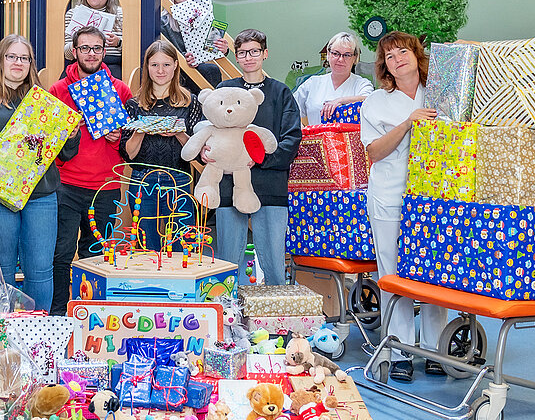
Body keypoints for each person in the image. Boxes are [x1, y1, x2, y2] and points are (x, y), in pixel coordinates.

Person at [358, 30, 450, 383]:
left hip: (436, 198)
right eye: (390, 56)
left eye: (403, 51)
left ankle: (434, 350)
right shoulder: (377, 102)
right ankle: (399, 351)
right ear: (385, 67)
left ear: (417, 54)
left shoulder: (442, 93)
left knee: (434, 273)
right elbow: (374, 153)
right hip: (390, 195)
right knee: (393, 274)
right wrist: (408, 122)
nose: (398, 59)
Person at [0, 35, 79, 309]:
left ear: (31, 64)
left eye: (24, 58)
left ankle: (38, 336)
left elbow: (65, 153)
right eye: (11, 56)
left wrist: (72, 135)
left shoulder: (44, 101)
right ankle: (2, 339)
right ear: (0, 60)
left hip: (41, 194)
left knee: (41, 270)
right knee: (2, 270)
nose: (18, 63)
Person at [50, 26, 133, 315]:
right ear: (74, 52)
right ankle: (58, 311)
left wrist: (119, 136)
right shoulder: (58, 90)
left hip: (106, 187)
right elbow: (47, 140)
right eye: (85, 48)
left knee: (96, 255)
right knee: (60, 254)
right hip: (66, 185)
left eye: (97, 48)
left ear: (104, 51)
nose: (91, 53)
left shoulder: (121, 90)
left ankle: (93, 311)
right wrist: (67, 134)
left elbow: (133, 142)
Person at [212, 29, 301, 287]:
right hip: (229, 186)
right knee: (228, 260)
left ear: (265, 54)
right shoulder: (224, 89)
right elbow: (213, 131)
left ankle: (279, 322)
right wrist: (210, 151)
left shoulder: (281, 93)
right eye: (242, 53)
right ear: (236, 57)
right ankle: (229, 318)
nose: (248, 57)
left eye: (254, 52)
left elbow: (291, 139)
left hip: (270, 186)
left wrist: (261, 159)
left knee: (273, 262)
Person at [119, 40, 202, 251]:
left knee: (183, 247)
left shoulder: (190, 102)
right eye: (154, 65)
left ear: (175, 65)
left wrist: (179, 134)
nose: (160, 70)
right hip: (141, 181)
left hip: (179, 179)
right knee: (147, 248)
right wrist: (140, 130)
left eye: (166, 64)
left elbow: (197, 152)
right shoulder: (133, 104)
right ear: (147, 67)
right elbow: (128, 154)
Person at [160, 0, 230, 91]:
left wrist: (223, 49)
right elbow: (163, 53)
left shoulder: (204, 13)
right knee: (210, 70)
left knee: (214, 72)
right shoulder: (163, 22)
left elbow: (210, 48)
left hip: (200, 68)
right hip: (177, 72)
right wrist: (183, 58)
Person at [294, 31, 374, 125]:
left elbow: (369, 101)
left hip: (349, 139)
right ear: (328, 54)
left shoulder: (362, 84)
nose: (340, 59)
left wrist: (339, 101)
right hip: (316, 139)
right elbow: (290, 109)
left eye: (347, 55)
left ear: (355, 58)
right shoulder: (312, 83)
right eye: (336, 53)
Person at [63, 0, 124, 80]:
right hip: (81, 67)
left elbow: (133, 53)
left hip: (113, 67)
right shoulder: (72, 14)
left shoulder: (121, 14)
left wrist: (119, 42)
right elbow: (67, 54)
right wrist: (78, 42)